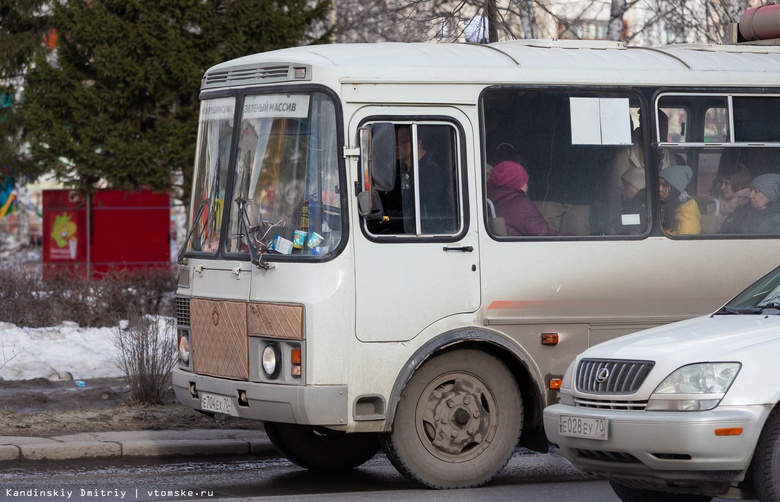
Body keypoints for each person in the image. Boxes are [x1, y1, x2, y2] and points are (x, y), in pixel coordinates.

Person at [487, 161, 570, 236]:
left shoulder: (488, 197)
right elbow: (542, 235)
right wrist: (573, 237)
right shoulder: (519, 204)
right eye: (523, 182)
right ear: (514, 182)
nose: (527, 187)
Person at [396, 126, 449, 233]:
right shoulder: (403, 172)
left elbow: (429, 214)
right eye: (395, 143)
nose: (397, 147)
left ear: (417, 142)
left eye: (403, 142)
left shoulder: (431, 172)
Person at [659, 164, 701, 235]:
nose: (659, 189)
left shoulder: (688, 219)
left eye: (664, 185)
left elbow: (686, 245)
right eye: (658, 184)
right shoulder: (667, 207)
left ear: (675, 189)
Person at [713, 164, 752, 234]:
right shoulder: (718, 203)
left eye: (726, 183)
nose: (722, 187)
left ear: (739, 185)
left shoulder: (748, 208)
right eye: (722, 183)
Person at [609, 167, 647, 235]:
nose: (622, 188)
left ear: (638, 187)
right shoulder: (627, 209)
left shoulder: (646, 210)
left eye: (626, 184)